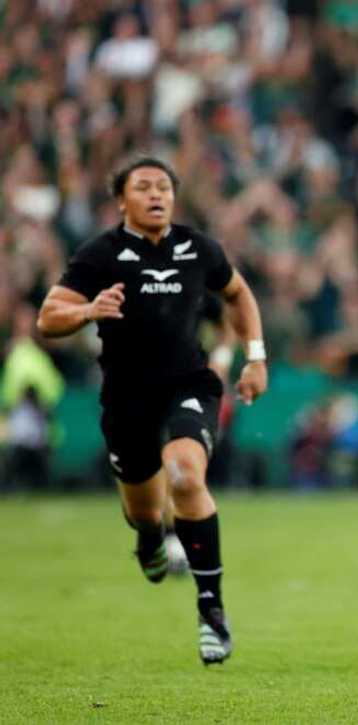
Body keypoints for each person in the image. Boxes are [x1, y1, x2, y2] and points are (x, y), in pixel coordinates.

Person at [37, 156, 268, 664]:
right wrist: (87, 311)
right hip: (126, 398)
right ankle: (148, 540)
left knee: (186, 475)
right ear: (122, 200)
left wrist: (255, 357)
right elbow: (48, 317)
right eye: (143, 187)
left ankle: (213, 614)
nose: (156, 194)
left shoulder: (199, 248)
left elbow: (238, 294)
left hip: (190, 384)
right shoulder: (100, 254)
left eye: (163, 186)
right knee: (143, 512)